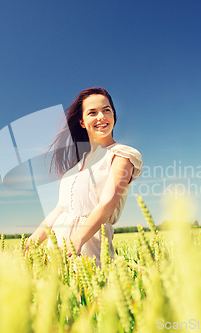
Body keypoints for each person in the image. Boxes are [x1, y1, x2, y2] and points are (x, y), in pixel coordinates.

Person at [24, 87, 143, 266]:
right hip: (56, 249)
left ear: (114, 115)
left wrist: (77, 239)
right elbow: (60, 209)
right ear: (82, 121)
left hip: (88, 247)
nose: (101, 117)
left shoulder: (123, 155)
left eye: (106, 110)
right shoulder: (76, 167)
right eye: (92, 113)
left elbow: (107, 204)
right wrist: (33, 240)